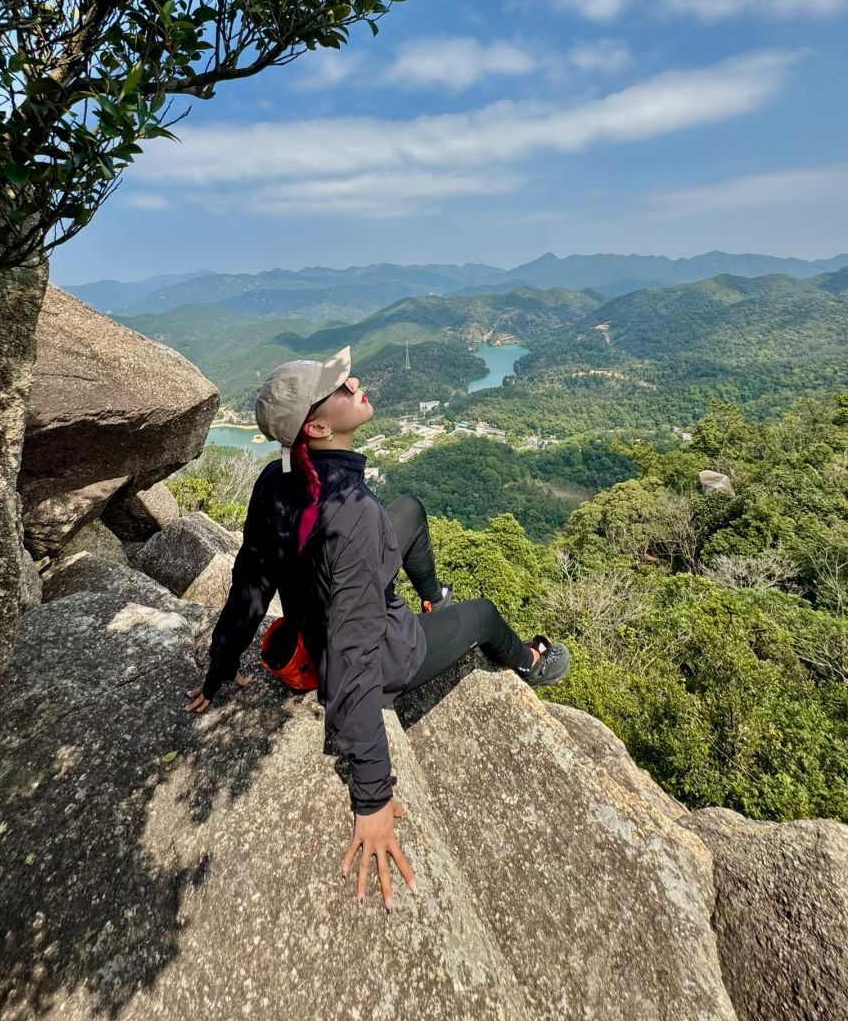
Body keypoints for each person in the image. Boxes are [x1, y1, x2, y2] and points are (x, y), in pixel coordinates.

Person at [184, 347, 570, 913]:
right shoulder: (355, 514)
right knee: (485, 615)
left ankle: (434, 596)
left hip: (328, 598)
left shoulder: (276, 478)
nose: (354, 383)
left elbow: (251, 580)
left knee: (409, 508)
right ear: (316, 427)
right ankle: (533, 665)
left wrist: (220, 668)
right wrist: (372, 799)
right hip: (389, 651)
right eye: (339, 387)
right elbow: (354, 654)